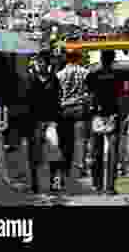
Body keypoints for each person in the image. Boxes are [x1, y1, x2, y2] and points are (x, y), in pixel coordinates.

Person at [85, 49, 129, 194]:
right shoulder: (118, 74)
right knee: (112, 153)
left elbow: (88, 90)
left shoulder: (93, 74)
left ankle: (97, 184)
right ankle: (110, 187)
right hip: (112, 115)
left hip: (97, 115)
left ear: (101, 58)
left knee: (97, 152)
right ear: (113, 58)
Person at [25, 49, 62, 195]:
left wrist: (56, 120)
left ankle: (54, 182)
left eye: (41, 62)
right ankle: (35, 184)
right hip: (35, 122)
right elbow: (27, 100)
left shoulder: (54, 80)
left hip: (51, 121)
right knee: (35, 155)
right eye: (37, 63)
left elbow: (58, 99)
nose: (39, 65)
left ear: (47, 64)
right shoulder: (31, 80)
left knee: (54, 152)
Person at [56, 50, 91, 181]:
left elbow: (57, 93)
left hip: (64, 109)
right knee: (80, 139)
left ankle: (66, 167)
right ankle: (81, 167)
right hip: (80, 108)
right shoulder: (85, 73)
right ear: (78, 58)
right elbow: (89, 91)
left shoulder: (59, 75)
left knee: (66, 140)